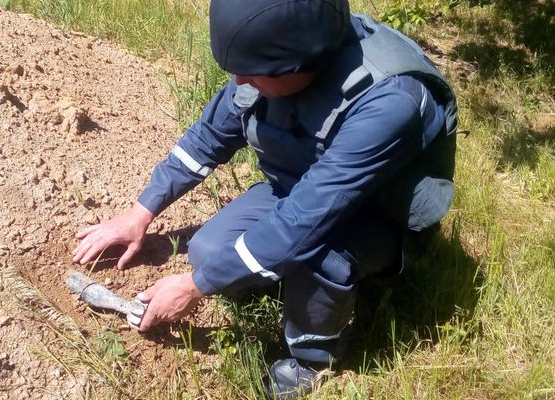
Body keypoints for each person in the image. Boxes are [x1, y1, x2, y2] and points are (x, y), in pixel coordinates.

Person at [71, 0, 457, 397]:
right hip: (300, 188)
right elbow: (207, 138)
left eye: (251, 72)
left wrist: (194, 287)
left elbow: (306, 220)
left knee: (318, 255)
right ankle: (275, 275)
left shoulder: (388, 100)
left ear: (298, 65)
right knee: (208, 251)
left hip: (376, 216)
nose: (239, 80)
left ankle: (313, 359)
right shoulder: (273, 52)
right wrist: (139, 213)